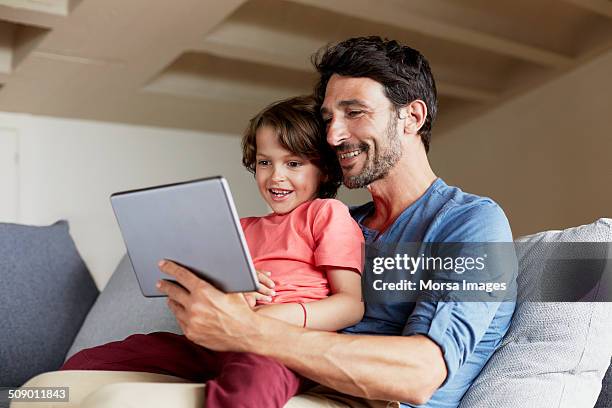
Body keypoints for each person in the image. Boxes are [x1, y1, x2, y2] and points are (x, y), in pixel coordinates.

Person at [156, 36, 517, 408]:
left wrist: (248, 330)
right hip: (289, 385)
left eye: (354, 112)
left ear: (412, 117)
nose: (333, 135)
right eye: (329, 118)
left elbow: (419, 374)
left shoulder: (470, 222)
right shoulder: (341, 221)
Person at [60, 95, 366, 408]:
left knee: (251, 384)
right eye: (265, 162)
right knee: (87, 361)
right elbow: (214, 304)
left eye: (293, 163)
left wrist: (270, 318)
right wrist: (233, 294)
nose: (276, 176)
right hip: (220, 339)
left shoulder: (326, 213)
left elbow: (350, 305)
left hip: (279, 345)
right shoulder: (241, 227)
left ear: (325, 170)